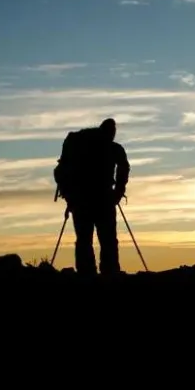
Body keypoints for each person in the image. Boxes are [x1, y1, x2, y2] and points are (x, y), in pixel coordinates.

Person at [54, 118, 130, 277]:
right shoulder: (113, 148)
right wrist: (117, 192)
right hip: (103, 199)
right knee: (107, 239)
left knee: (84, 239)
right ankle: (109, 274)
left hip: (80, 200)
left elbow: (60, 171)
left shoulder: (78, 146)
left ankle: (86, 274)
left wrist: (69, 196)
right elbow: (123, 168)